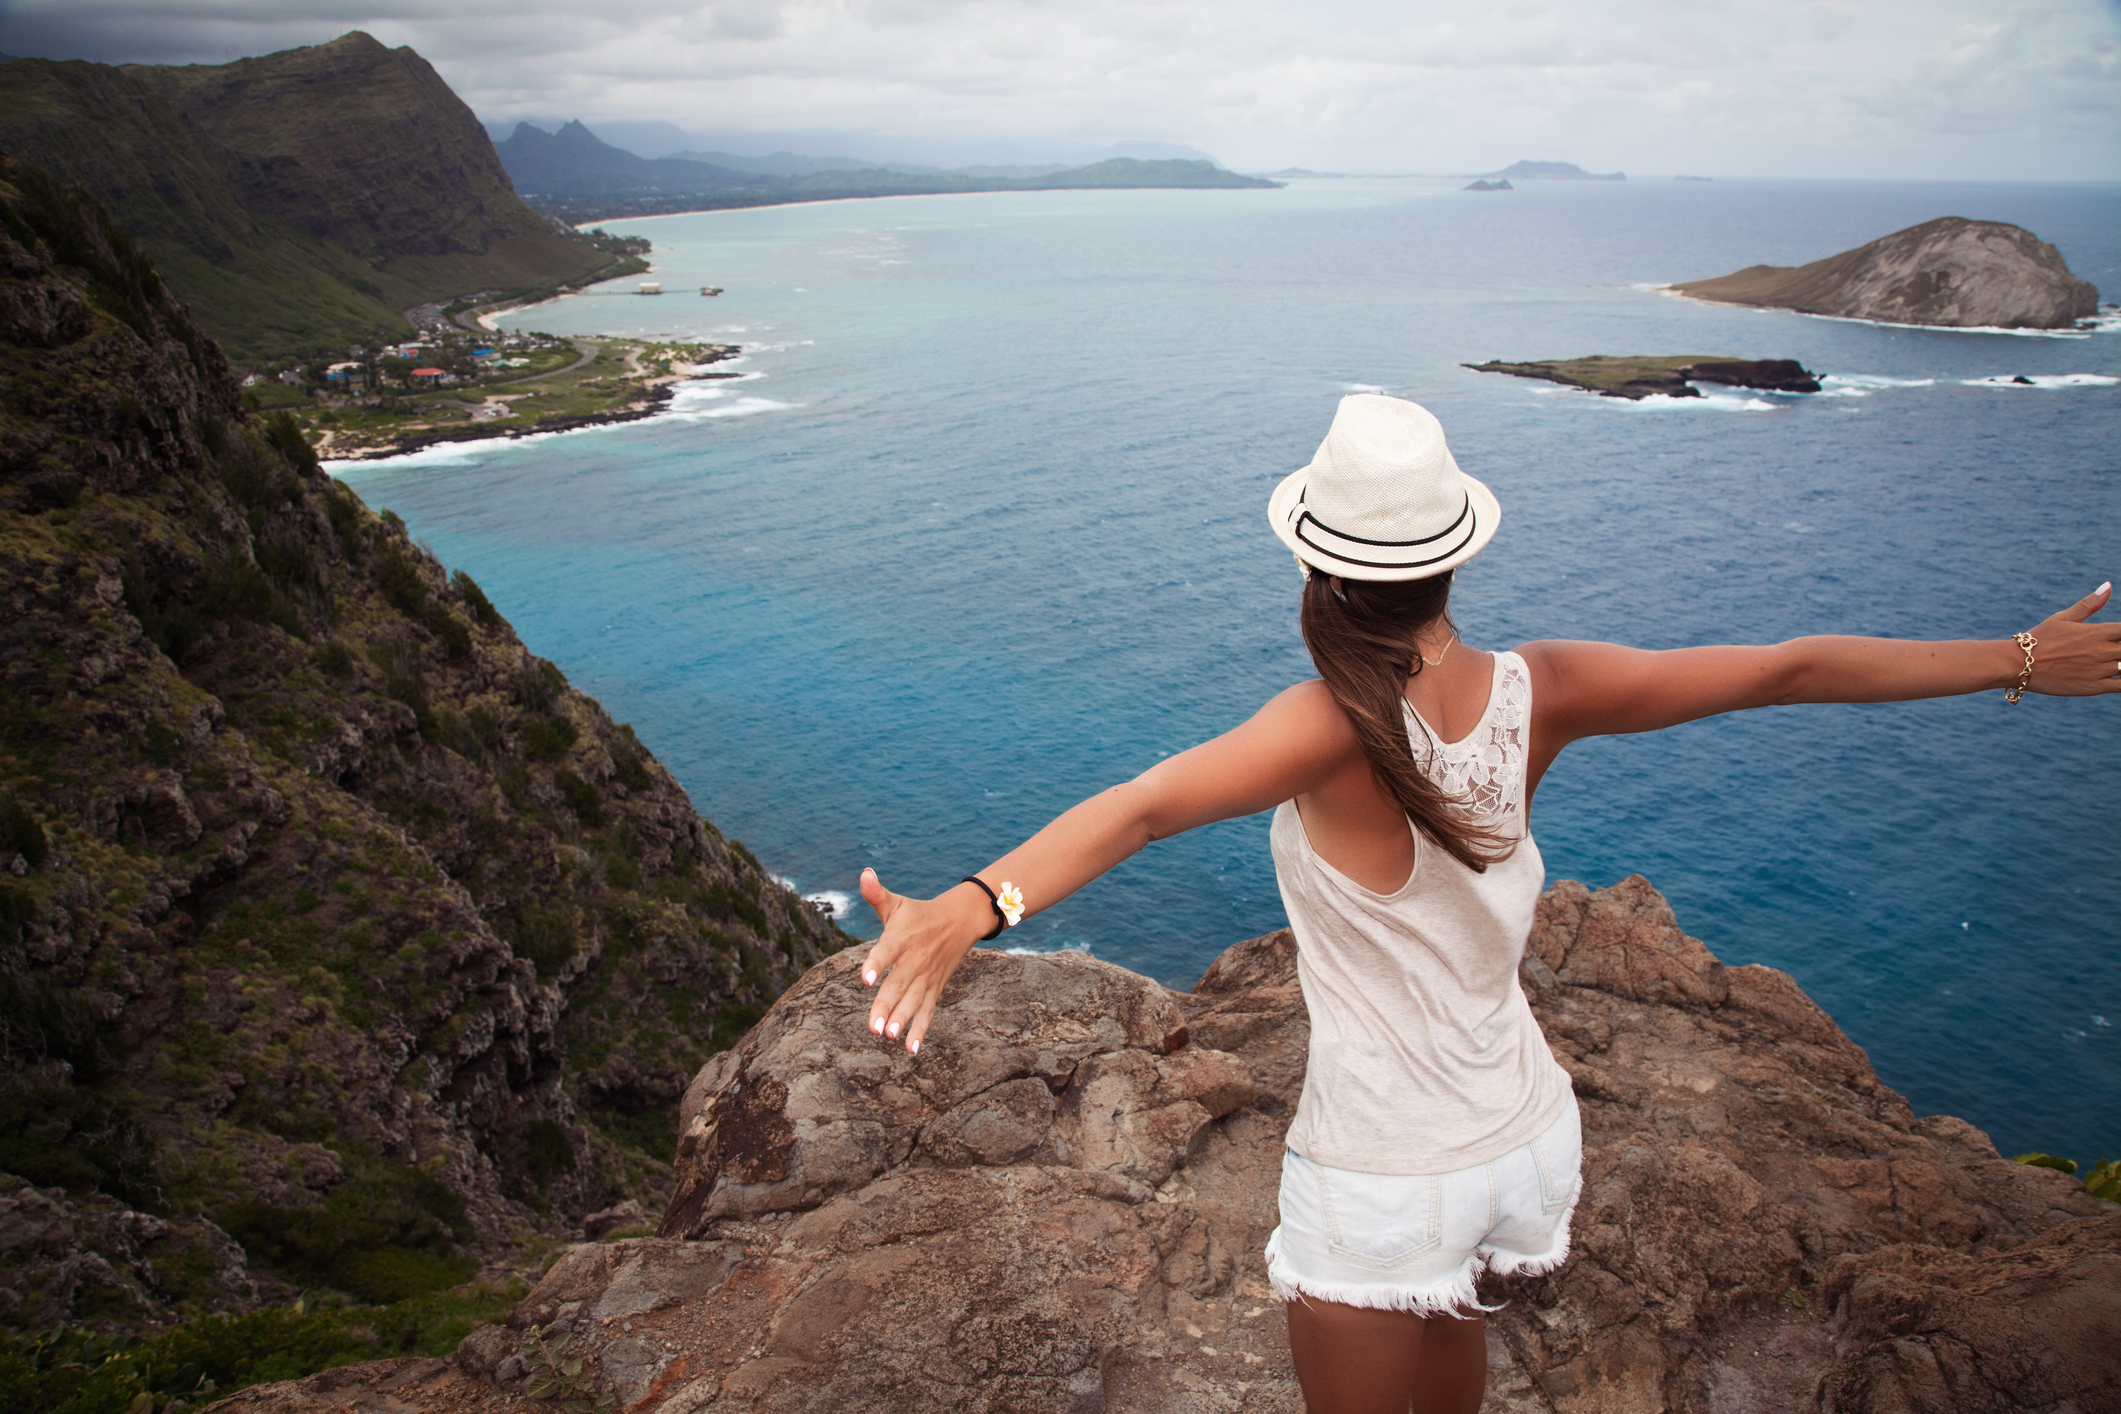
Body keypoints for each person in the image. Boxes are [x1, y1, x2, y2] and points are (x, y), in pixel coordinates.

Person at [854, 394, 2119, 1414]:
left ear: (1315, 567)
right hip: (1523, 1134)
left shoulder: (1322, 724)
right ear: (1455, 550)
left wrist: (976, 902)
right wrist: (2017, 658)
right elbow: (1786, 667)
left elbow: (1140, 807)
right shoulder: (1545, 688)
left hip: (1383, 1168)